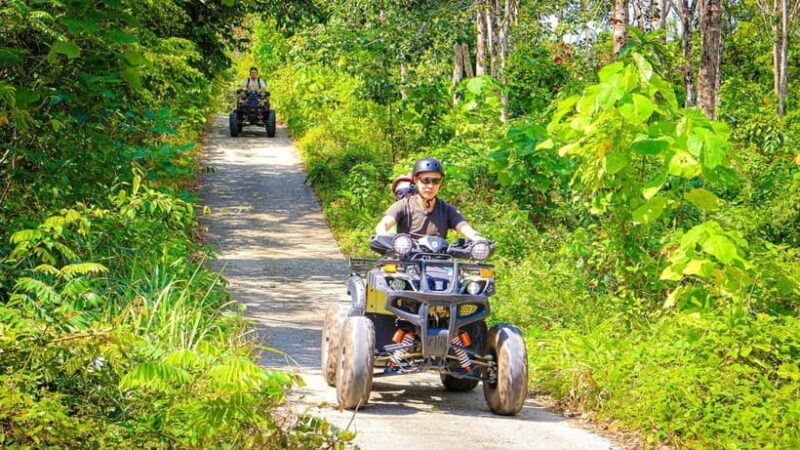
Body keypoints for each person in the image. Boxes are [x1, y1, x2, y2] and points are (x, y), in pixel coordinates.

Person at [376, 158, 483, 241]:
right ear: (416, 180)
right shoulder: (403, 205)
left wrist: (477, 238)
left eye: (436, 181)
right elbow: (384, 224)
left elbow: (463, 226)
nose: (430, 186)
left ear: (440, 183)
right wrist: (383, 234)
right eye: (425, 180)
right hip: (406, 260)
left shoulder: (447, 209)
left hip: (439, 261)